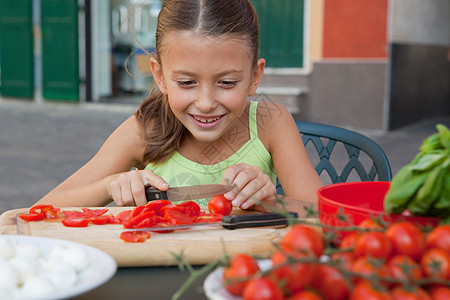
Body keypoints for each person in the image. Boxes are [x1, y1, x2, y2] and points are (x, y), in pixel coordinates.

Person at [36, 0, 323, 213]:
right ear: (160, 76)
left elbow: (327, 216)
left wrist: (270, 202)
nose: (207, 103)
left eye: (227, 83)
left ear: (254, 77)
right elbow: (37, 211)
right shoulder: (145, 131)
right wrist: (109, 186)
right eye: (186, 82)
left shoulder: (271, 123)